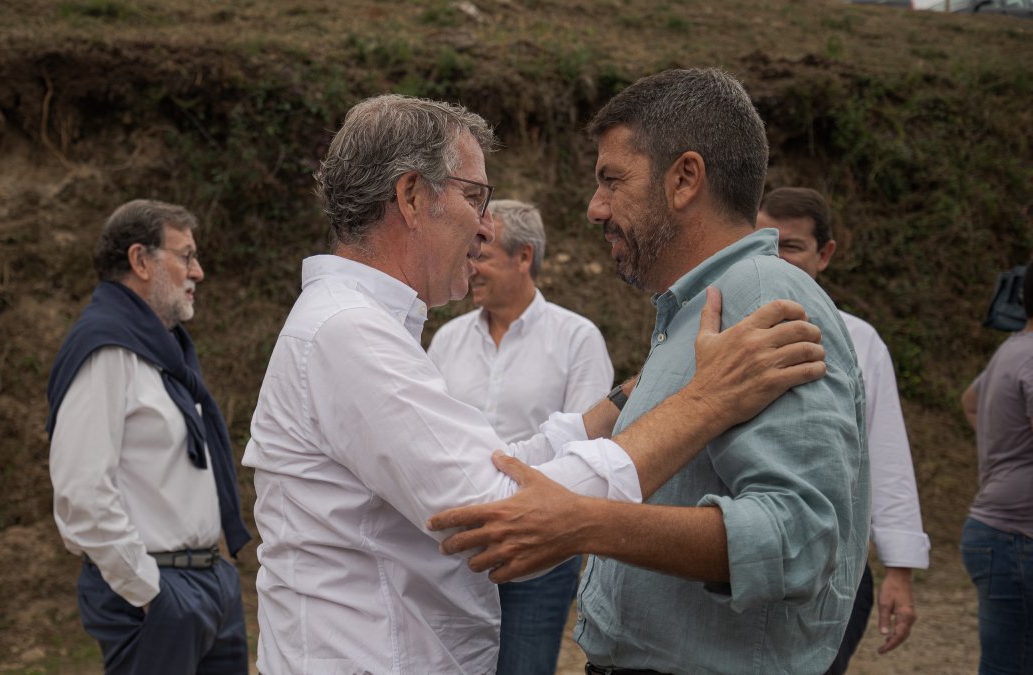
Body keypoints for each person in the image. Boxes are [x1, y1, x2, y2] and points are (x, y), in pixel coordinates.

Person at [243, 93, 829, 674]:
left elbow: (494, 467)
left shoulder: (352, 326)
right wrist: (707, 401)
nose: (486, 226)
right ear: (413, 196)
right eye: (475, 197)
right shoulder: (349, 334)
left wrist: (634, 395)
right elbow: (498, 517)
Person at [430, 68, 870, 674]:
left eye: (612, 180)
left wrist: (587, 523)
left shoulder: (761, 299)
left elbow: (798, 538)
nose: (595, 208)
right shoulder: (697, 307)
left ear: (685, 178)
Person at [46, 200, 252, 675]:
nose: (197, 272)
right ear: (140, 261)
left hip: (209, 582)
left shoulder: (165, 352)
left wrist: (215, 574)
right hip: (157, 593)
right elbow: (82, 493)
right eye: (185, 255)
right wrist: (149, 591)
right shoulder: (105, 350)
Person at [428, 199, 614, 675]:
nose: (470, 267)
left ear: (524, 257)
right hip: (454, 557)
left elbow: (588, 451)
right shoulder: (446, 340)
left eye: (482, 254)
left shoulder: (578, 339)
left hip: (538, 556)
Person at [756, 187, 931, 673]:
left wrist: (899, 569)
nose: (774, 259)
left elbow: (886, 455)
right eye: (762, 243)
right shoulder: (715, 325)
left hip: (835, 571)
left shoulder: (858, 341)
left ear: (825, 254)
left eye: (790, 246)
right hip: (736, 562)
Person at [959, 258, 1033, 675]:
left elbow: (971, 402)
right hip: (1018, 540)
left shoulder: (1014, 348)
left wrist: (1006, 450)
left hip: (999, 534)